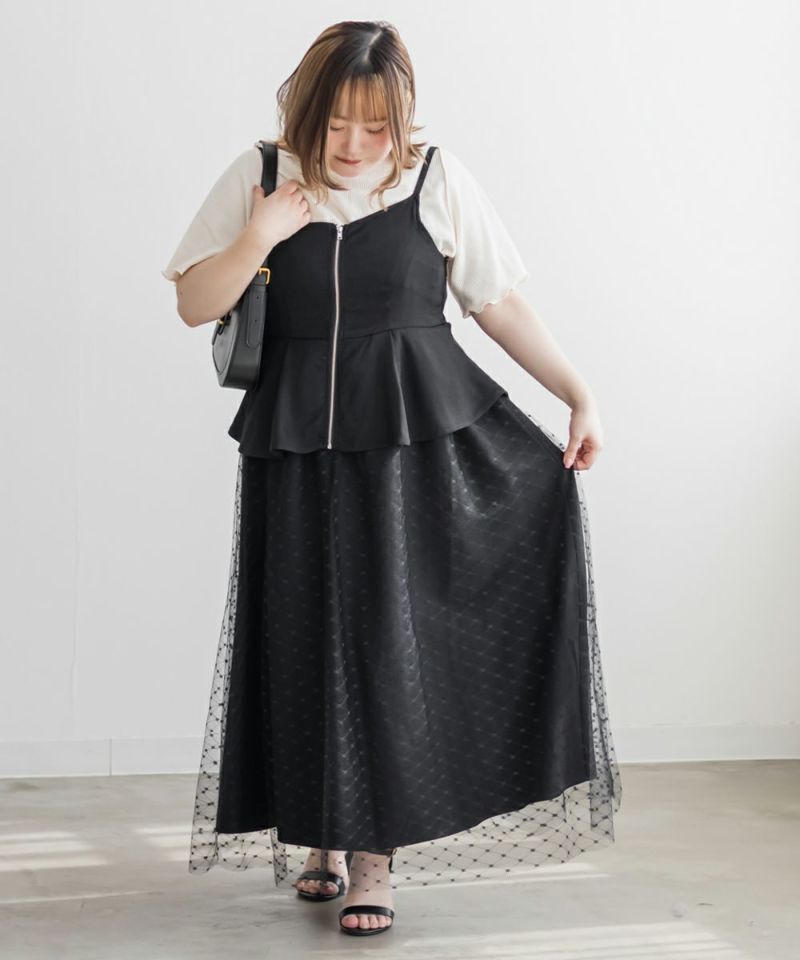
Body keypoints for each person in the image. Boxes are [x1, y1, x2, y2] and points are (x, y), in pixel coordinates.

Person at [162, 19, 622, 939]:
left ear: (400, 118)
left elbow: (495, 301)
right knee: (302, 640)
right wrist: (261, 232)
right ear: (308, 109)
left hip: (414, 450)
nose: (354, 144)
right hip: (295, 453)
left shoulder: (435, 178)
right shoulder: (261, 175)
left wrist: (579, 394)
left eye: (375, 126)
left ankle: (373, 860)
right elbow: (192, 302)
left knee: (384, 647)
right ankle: (320, 842)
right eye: (338, 122)